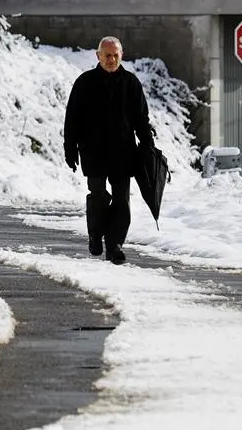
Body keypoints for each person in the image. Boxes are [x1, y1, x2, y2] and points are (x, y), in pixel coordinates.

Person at [63, 36, 154, 265]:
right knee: (99, 195)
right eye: (107, 55)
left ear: (121, 56)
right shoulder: (84, 82)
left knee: (122, 200)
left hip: (123, 152)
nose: (112, 59)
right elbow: (72, 118)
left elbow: (141, 119)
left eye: (115, 55)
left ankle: (114, 245)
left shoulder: (131, 83)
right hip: (92, 151)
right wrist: (70, 148)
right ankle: (95, 233)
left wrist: (147, 146)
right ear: (98, 56)